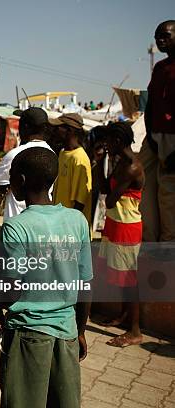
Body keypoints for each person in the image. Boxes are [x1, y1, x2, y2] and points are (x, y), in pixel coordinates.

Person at [0, 147, 93, 408]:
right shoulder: (77, 220)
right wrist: (79, 331)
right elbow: (86, 285)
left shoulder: (16, 226)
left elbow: (12, 287)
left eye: (11, 178)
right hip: (67, 332)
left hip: (27, 334)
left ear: (19, 181)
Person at [96, 122, 145, 347]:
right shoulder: (120, 162)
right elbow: (105, 188)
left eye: (108, 141)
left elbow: (110, 199)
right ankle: (125, 317)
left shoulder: (131, 166)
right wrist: (98, 163)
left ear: (117, 141)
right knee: (122, 276)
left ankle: (135, 331)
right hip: (116, 222)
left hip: (127, 226)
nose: (106, 145)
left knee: (129, 279)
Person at [139, 20, 175, 242]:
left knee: (169, 194)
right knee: (144, 186)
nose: (160, 40)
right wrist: (150, 136)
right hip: (153, 137)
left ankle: (169, 247)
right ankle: (150, 241)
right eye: (157, 36)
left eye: (165, 35)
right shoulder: (160, 68)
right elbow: (150, 105)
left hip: (173, 139)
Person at [0, 107, 53, 219]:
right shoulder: (52, 154)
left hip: (17, 221)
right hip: (43, 220)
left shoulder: (14, 155)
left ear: (25, 127)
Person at [51, 113, 93, 227]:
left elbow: (79, 202)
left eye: (58, 127)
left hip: (70, 227)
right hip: (59, 222)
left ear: (69, 130)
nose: (54, 131)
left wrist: (69, 229)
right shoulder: (62, 153)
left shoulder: (79, 158)